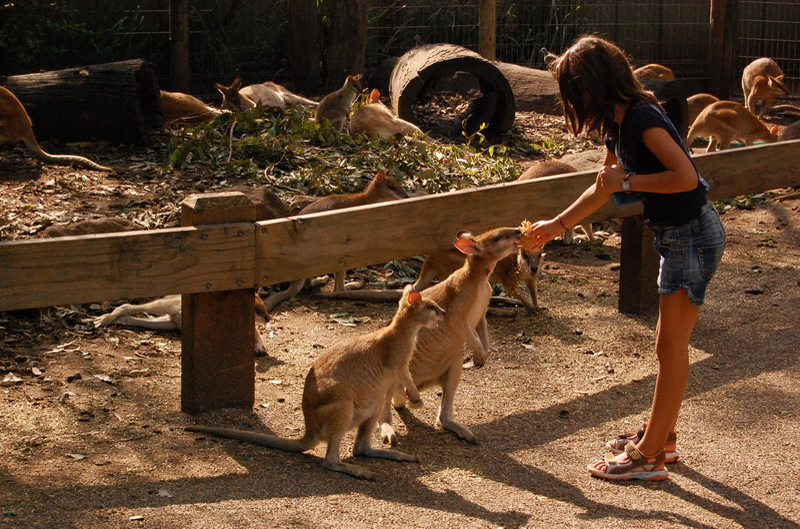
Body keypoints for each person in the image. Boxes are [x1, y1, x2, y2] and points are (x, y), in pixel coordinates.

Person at [521, 35, 726, 481]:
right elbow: (602, 186)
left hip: (693, 236)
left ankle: (650, 455)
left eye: (572, 90)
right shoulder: (614, 123)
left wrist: (630, 182)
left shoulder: (642, 119)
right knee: (667, 346)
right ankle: (662, 437)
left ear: (592, 84)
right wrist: (553, 228)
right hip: (676, 237)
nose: (570, 100)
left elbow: (686, 178)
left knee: (670, 349)